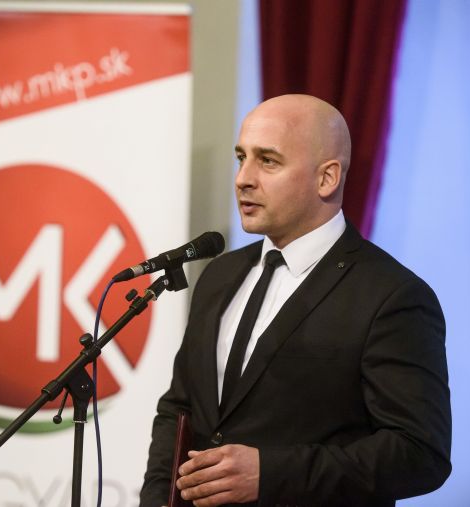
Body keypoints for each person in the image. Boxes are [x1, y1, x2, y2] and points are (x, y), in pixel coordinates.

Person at [140, 94, 451, 507]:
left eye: (268, 161)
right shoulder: (220, 275)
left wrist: (271, 474)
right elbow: (179, 408)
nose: (243, 178)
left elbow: (419, 452)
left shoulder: (391, 296)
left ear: (327, 178)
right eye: (241, 157)